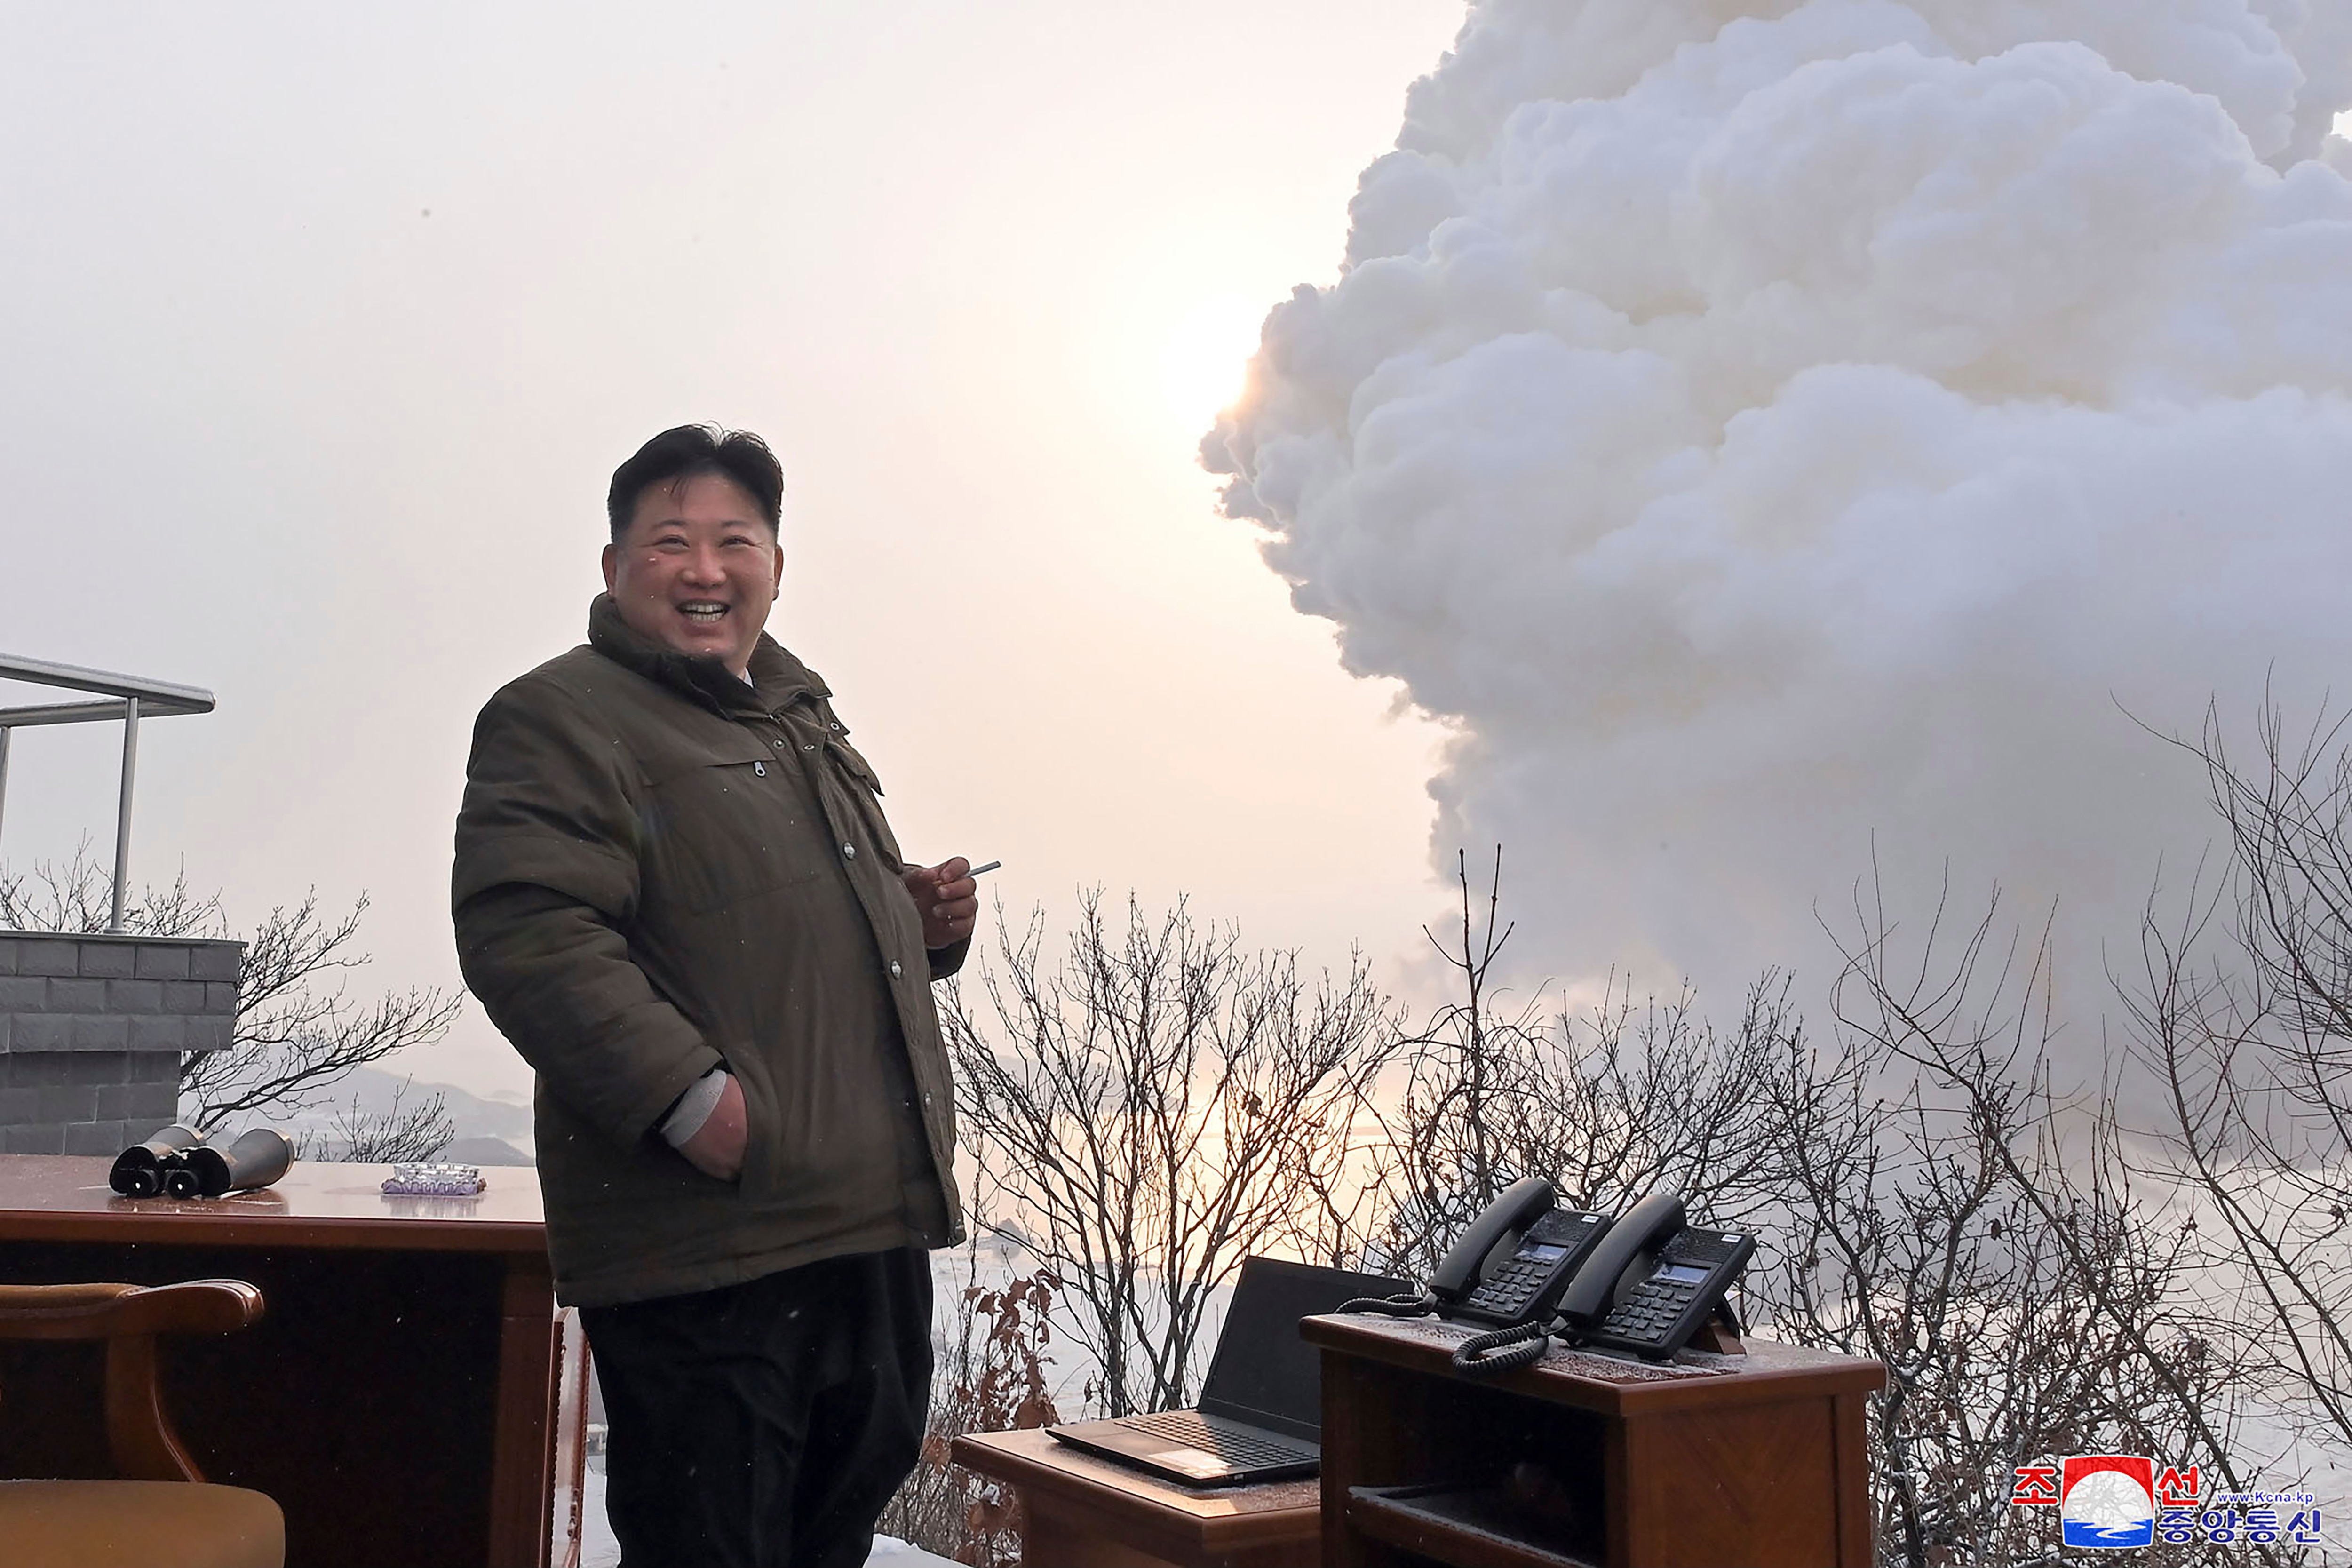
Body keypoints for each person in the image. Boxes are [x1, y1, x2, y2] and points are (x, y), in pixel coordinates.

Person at [451, 423, 977, 1568]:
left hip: (862, 1225)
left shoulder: (794, 714)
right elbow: (529, 929)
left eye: (735, 540)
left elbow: (761, 911)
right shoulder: (564, 713)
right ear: (614, 567)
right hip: (709, 1246)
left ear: (776, 564)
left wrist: (913, 919)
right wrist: (698, 1106)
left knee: (827, 1533)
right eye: (671, 541)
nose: (705, 568)